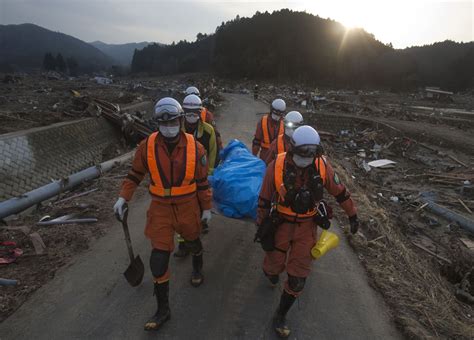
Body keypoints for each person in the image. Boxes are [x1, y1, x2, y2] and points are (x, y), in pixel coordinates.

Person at [113, 97, 212, 332]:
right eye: (163, 123)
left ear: (180, 120)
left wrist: (206, 208)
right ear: (157, 123)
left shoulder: (195, 147)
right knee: (158, 260)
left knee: (193, 240)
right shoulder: (146, 146)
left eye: (173, 122)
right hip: (160, 209)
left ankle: (197, 266)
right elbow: (134, 175)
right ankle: (163, 309)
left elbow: (202, 182)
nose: (169, 127)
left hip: (188, 206)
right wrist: (122, 197)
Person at [256, 125, 359, 338]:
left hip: (307, 227)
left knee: (298, 278)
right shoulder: (276, 166)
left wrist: (352, 215)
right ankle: (271, 271)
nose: (306, 158)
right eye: (303, 153)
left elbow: (340, 193)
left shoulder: (322, 166)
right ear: (293, 148)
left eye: (311, 154)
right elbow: (264, 199)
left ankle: (280, 315)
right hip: (280, 225)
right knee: (273, 266)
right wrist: (261, 226)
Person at [174, 94, 218, 257]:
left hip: (201, 179)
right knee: (181, 214)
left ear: (200, 112)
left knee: (198, 210)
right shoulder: (176, 131)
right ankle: (182, 245)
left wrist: (209, 174)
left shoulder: (208, 131)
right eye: (188, 112)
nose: (191, 115)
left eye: (195, 112)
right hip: (182, 181)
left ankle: (194, 242)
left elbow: (213, 153)